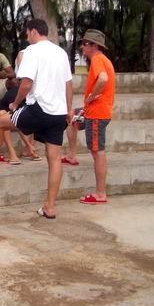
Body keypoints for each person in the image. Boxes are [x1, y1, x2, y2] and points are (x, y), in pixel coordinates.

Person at [0, 19, 73, 220]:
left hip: (38, 108)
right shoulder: (61, 53)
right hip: (58, 112)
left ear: (33, 31)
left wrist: (15, 104)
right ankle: (49, 207)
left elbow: (26, 83)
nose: (26, 37)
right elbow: (68, 84)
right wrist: (69, 109)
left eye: (27, 33)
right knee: (54, 157)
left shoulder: (31, 51)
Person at [62, 29, 115, 205]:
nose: (82, 47)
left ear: (94, 46)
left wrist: (91, 97)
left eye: (85, 44)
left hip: (98, 114)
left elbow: (103, 79)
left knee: (97, 152)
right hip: (94, 111)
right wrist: (86, 106)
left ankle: (100, 194)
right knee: (72, 117)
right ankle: (71, 156)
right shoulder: (101, 60)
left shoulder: (98, 59)